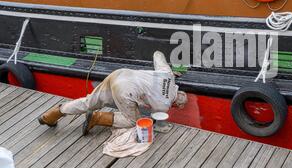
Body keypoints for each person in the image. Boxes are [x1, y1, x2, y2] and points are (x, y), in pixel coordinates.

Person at [38, 51, 187, 135]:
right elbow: (160, 125)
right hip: (126, 90)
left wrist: (172, 72)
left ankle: (53, 114)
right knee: (134, 122)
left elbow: (157, 54)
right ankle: (97, 118)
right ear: (174, 104)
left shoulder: (167, 74)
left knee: (89, 101)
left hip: (120, 74)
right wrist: (164, 127)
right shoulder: (164, 106)